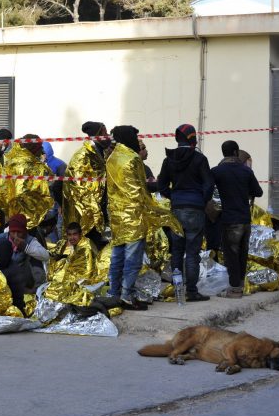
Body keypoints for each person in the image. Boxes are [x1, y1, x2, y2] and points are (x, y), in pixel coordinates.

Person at [157, 124, 214, 302]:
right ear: (192, 138)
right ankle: (191, 291)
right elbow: (208, 184)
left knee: (177, 250)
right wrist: (201, 199)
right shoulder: (199, 159)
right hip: (195, 208)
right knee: (192, 252)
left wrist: (173, 196)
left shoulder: (169, 160)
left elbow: (161, 185)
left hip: (177, 209)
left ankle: (177, 289)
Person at [211, 141, 263, 299]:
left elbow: (208, 191)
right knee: (242, 253)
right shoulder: (246, 171)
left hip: (229, 219)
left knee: (231, 254)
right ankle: (240, 285)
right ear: (235, 152)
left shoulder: (216, 171)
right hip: (245, 219)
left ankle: (234, 290)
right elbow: (258, 192)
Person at [107, 126, 151, 310]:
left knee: (117, 256)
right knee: (132, 259)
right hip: (133, 216)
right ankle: (126, 295)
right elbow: (139, 189)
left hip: (117, 215)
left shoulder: (112, 158)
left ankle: (113, 293)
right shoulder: (133, 158)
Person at [61, 121, 110, 250]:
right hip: (87, 215)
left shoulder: (101, 153)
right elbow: (77, 188)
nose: (108, 135)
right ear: (97, 135)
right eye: (105, 133)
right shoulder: (82, 157)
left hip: (100, 209)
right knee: (90, 248)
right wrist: (94, 209)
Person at [0, 134, 55, 235]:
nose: (42, 151)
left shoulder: (19, 161)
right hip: (27, 219)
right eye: (40, 147)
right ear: (33, 149)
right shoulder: (24, 166)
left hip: (21, 217)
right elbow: (20, 194)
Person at [0, 213, 50, 290]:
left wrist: (26, 248)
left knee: (36, 261)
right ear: (9, 231)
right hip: (3, 274)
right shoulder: (0, 238)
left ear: (25, 232)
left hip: (24, 275)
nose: (16, 236)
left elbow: (46, 256)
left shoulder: (30, 240)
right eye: (13, 232)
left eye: (19, 232)